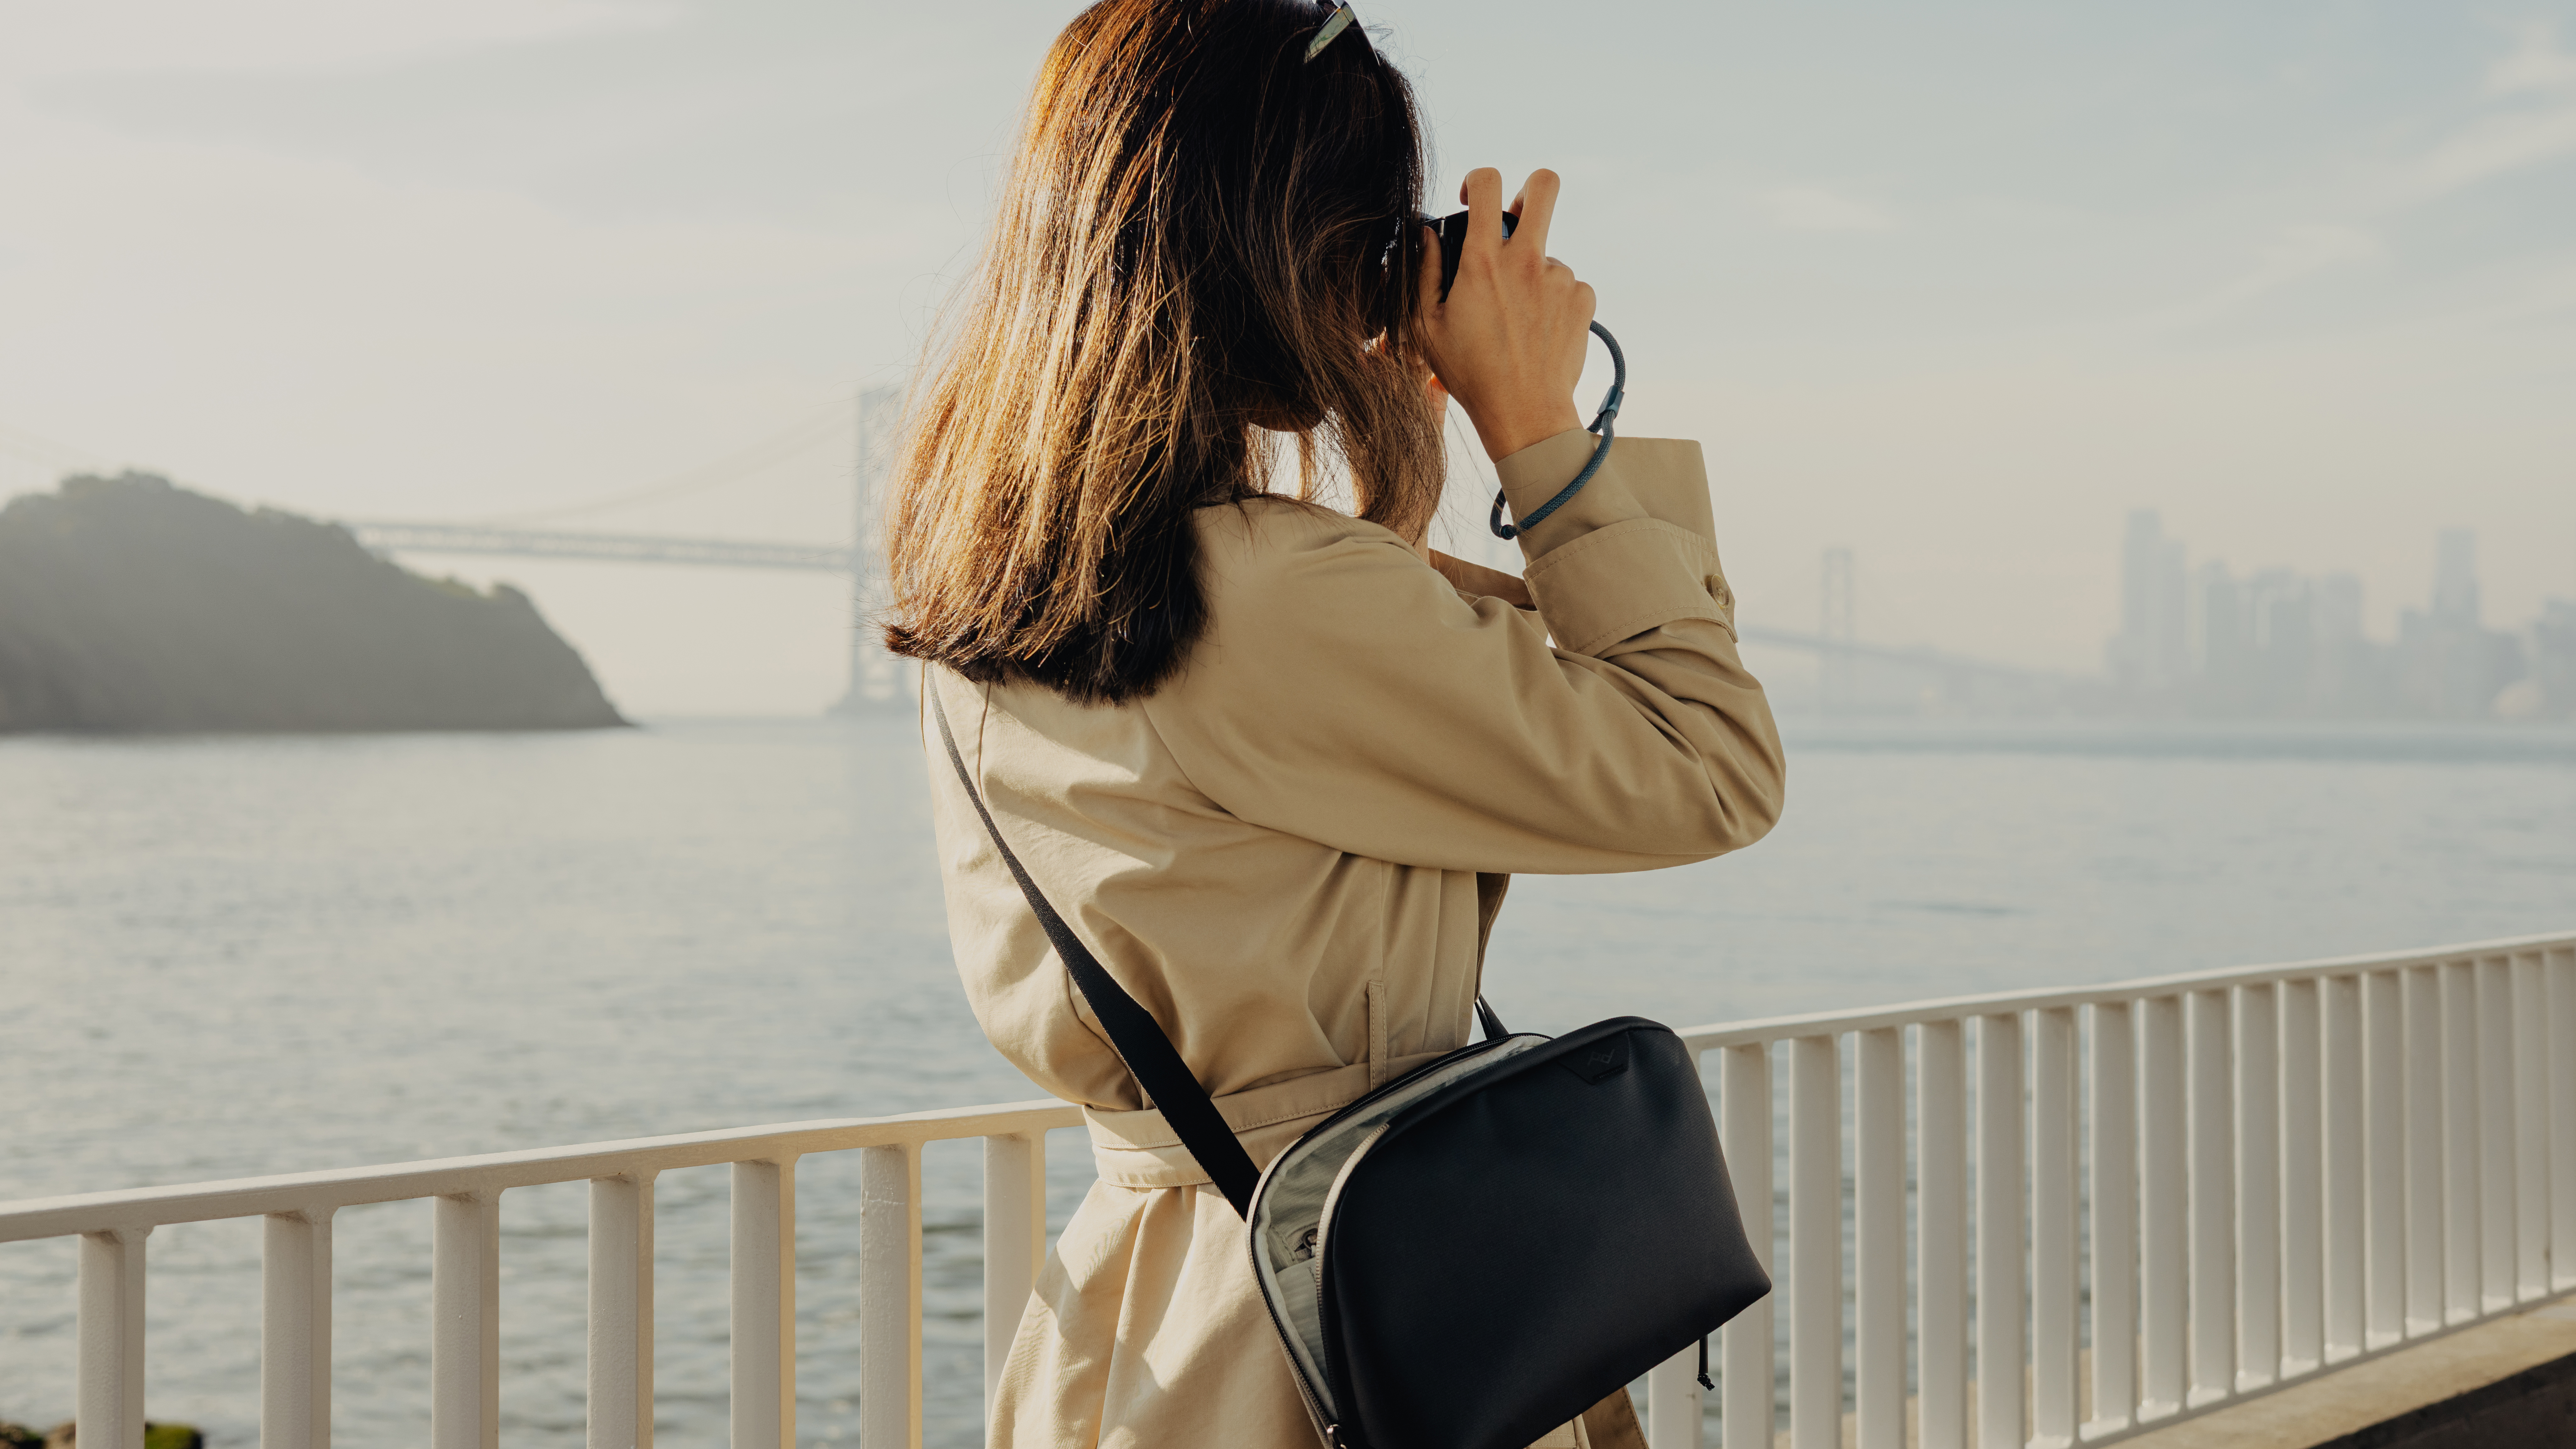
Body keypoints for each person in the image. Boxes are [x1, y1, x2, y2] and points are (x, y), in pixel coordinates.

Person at [881, 2, 1786, 1444]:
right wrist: (1534, 418)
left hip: (1147, 1325)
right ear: (1285, 240)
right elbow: (1708, 766)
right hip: (1359, 1333)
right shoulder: (1274, 597)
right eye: (1367, 226)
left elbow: (1451, 666)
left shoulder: (1007, 593)